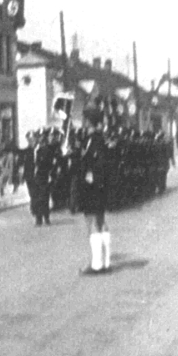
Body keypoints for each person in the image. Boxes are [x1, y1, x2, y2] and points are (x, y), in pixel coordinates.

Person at [78, 111, 112, 275]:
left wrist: (91, 175)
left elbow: (98, 162)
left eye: (85, 120)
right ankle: (105, 261)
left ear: (89, 122)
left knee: (92, 223)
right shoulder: (96, 139)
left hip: (93, 186)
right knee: (100, 222)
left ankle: (96, 264)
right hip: (99, 185)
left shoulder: (94, 140)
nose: (83, 122)